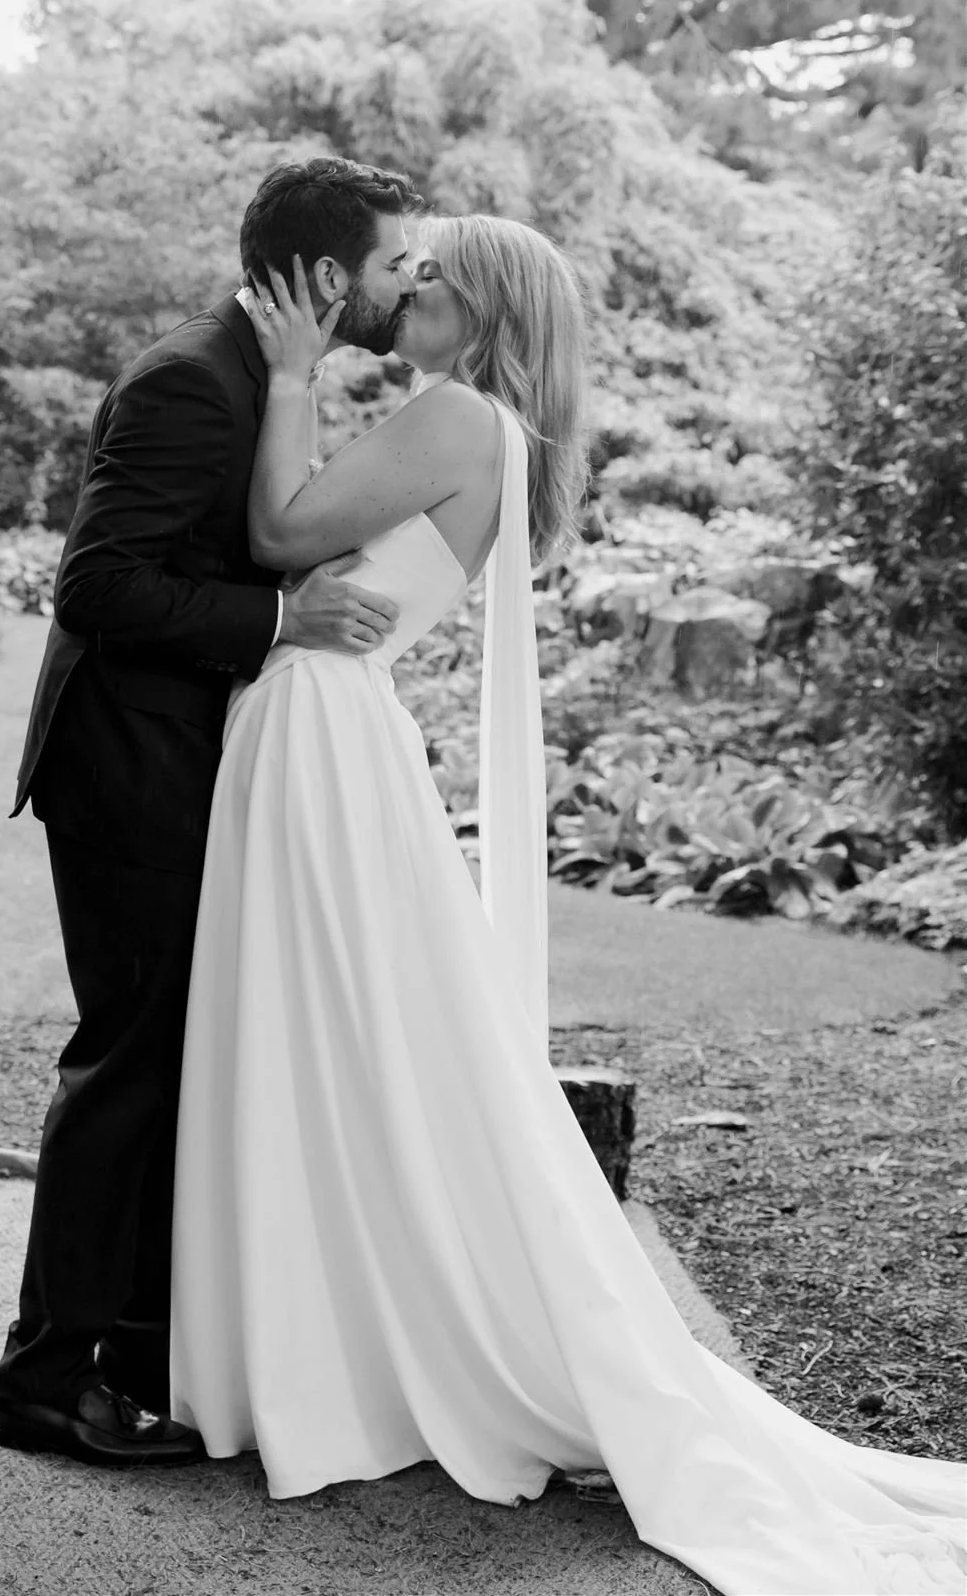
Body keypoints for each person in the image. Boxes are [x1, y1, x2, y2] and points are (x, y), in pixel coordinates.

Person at [168, 215, 966, 1594]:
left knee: (318, 1032)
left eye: (428, 276)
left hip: (319, 735)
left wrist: (293, 370)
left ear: (474, 315)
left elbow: (277, 530)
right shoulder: (454, 420)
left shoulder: (459, 416)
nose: (403, 286)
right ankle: (318, 1338)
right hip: (314, 728)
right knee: (315, 1038)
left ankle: (322, 1359)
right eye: (404, 270)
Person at [0, 157, 422, 1467]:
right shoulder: (194, 377)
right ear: (334, 275)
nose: (407, 289)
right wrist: (279, 616)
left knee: (174, 1057)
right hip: (126, 768)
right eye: (396, 264)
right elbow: (98, 589)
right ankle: (45, 1382)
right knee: (128, 1060)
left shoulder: (258, 374)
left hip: (186, 762)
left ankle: (134, 1349)